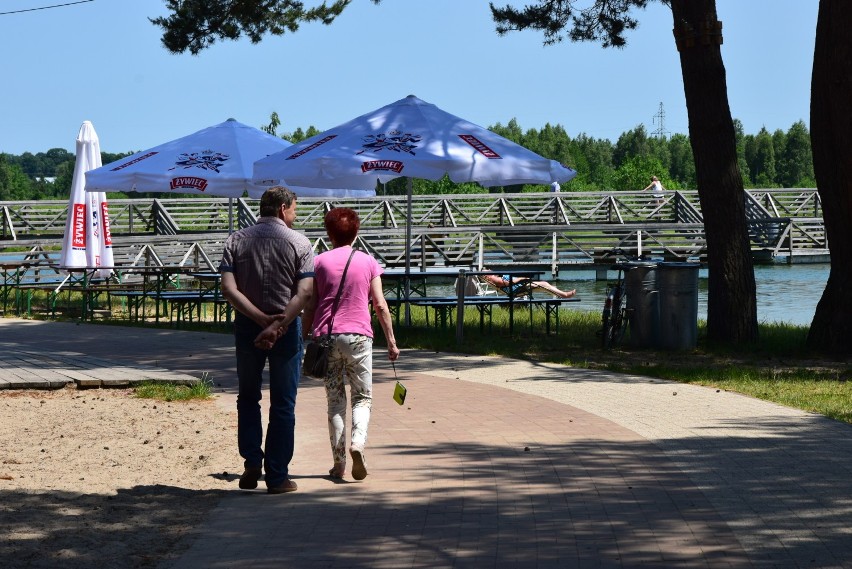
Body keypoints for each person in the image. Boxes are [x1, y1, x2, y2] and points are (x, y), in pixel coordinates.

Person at [258, 207, 400, 482]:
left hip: (327, 338)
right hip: (360, 338)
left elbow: (309, 304)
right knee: (362, 397)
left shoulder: (319, 262)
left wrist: (304, 335)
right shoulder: (369, 262)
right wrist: (392, 342)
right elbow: (380, 305)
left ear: (329, 233)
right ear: (356, 231)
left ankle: (339, 464)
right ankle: (358, 442)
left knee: (335, 401)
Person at [219, 186, 314, 494]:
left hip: (248, 328)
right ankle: (277, 476)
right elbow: (305, 293)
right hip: (285, 331)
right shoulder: (300, 243)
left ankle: (250, 463)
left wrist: (260, 321)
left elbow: (229, 290)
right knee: (283, 403)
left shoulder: (236, 240)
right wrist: (278, 325)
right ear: (283, 208)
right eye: (295, 209)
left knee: (247, 397)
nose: (295, 215)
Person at [481, 271, 576, 299]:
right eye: (488, 271)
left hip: (518, 287)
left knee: (544, 285)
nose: (490, 270)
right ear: (487, 276)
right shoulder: (494, 279)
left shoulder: (495, 278)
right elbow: (509, 283)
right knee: (544, 284)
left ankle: (562, 294)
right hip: (517, 289)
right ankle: (564, 295)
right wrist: (521, 278)